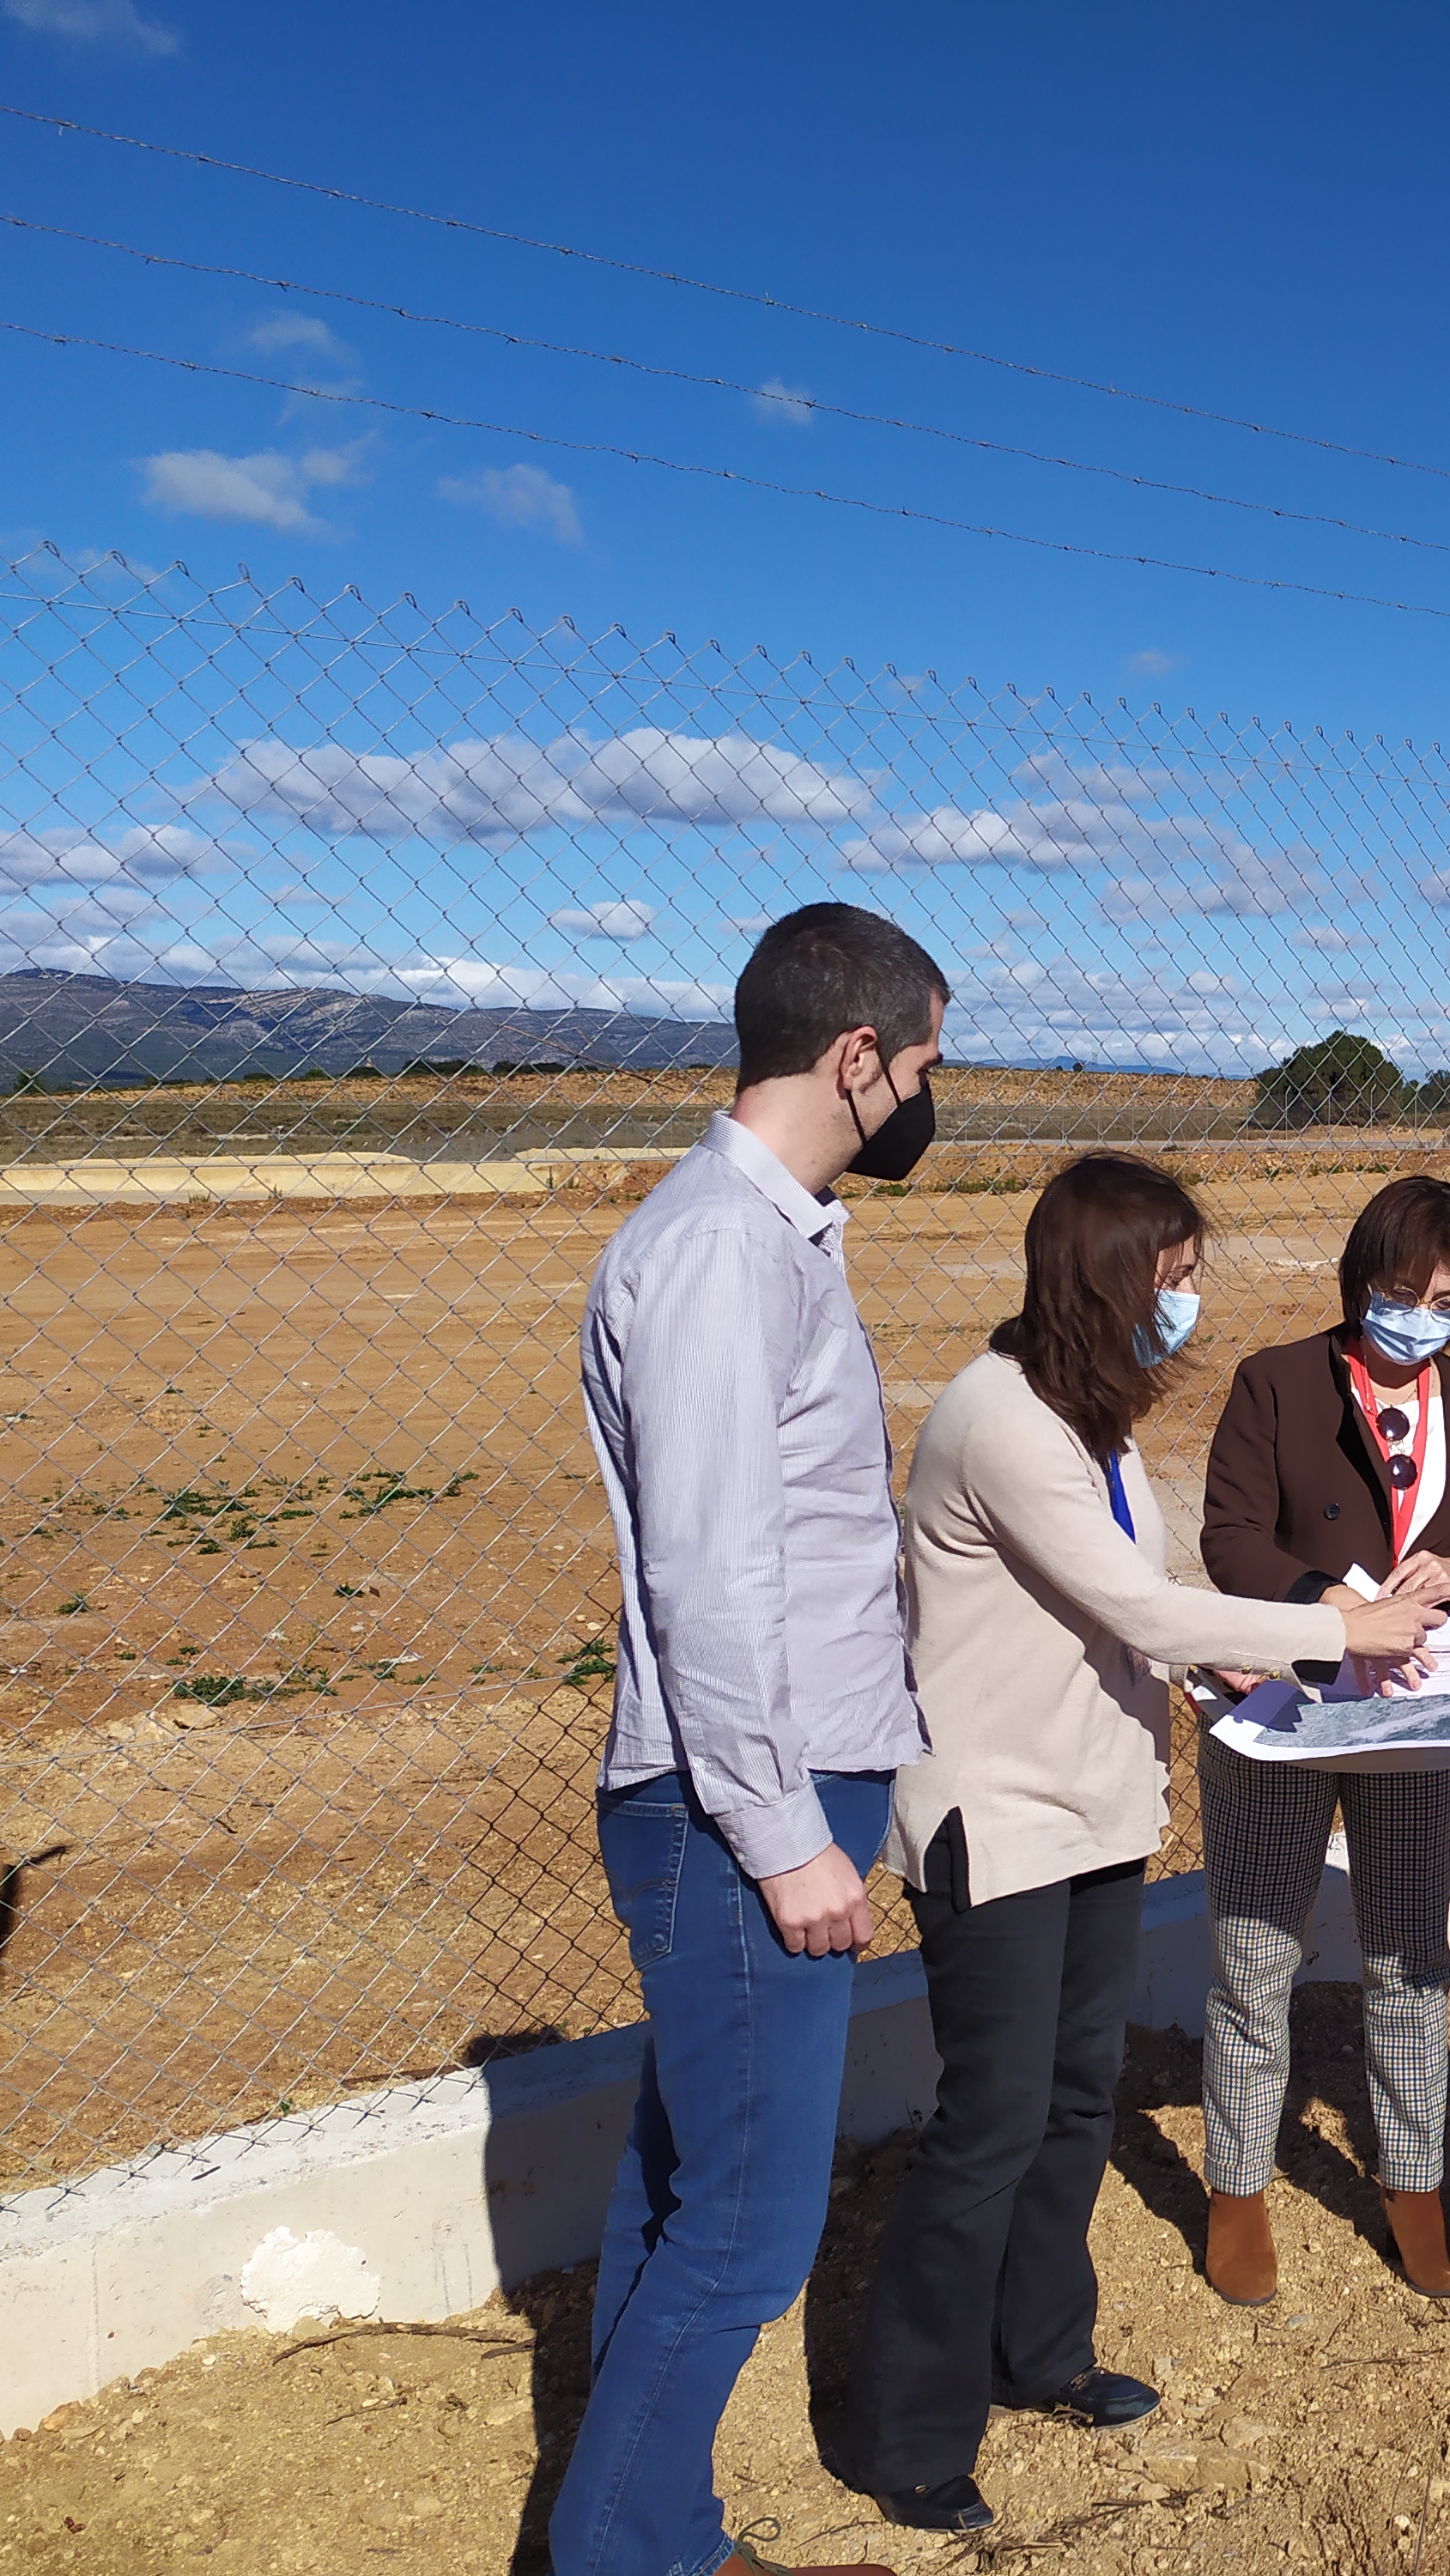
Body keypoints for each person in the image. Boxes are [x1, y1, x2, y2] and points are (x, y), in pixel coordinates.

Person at [840, 1154, 1446, 2535]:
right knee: (986, 2127)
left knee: (1070, 2101)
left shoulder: (1089, 1418)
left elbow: (1128, 1616)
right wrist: (1330, 1633)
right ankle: (910, 2436)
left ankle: (1040, 2354)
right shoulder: (999, 1421)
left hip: (1096, 1808)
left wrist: (1213, 1677)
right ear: (1107, 1281)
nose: (1189, 1301)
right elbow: (1148, 1602)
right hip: (995, 1823)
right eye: (1172, 1278)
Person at [558, 900, 950, 2576]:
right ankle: (620, 2556)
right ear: (855, 1057)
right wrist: (789, 1836)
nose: (936, 1095)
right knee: (744, 2232)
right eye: (927, 1064)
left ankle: (662, 2537)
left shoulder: (767, 1234)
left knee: (679, 2192)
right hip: (740, 1820)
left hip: (764, 1796)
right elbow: (710, 1571)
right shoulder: (722, 1250)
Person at [1193, 1174, 1450, 2305]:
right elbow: (1229, 1542)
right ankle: (1235, 2184)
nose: (1420, 1317)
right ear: (1358, 1280)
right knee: (1254, 1965)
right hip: (1283, 1720)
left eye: (1446, 1299)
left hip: (1420, 1730)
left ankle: (1414, 2180)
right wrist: (1332, 1608)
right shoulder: (1274, 1385)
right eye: (1399, 1291)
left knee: (1410, 1963)